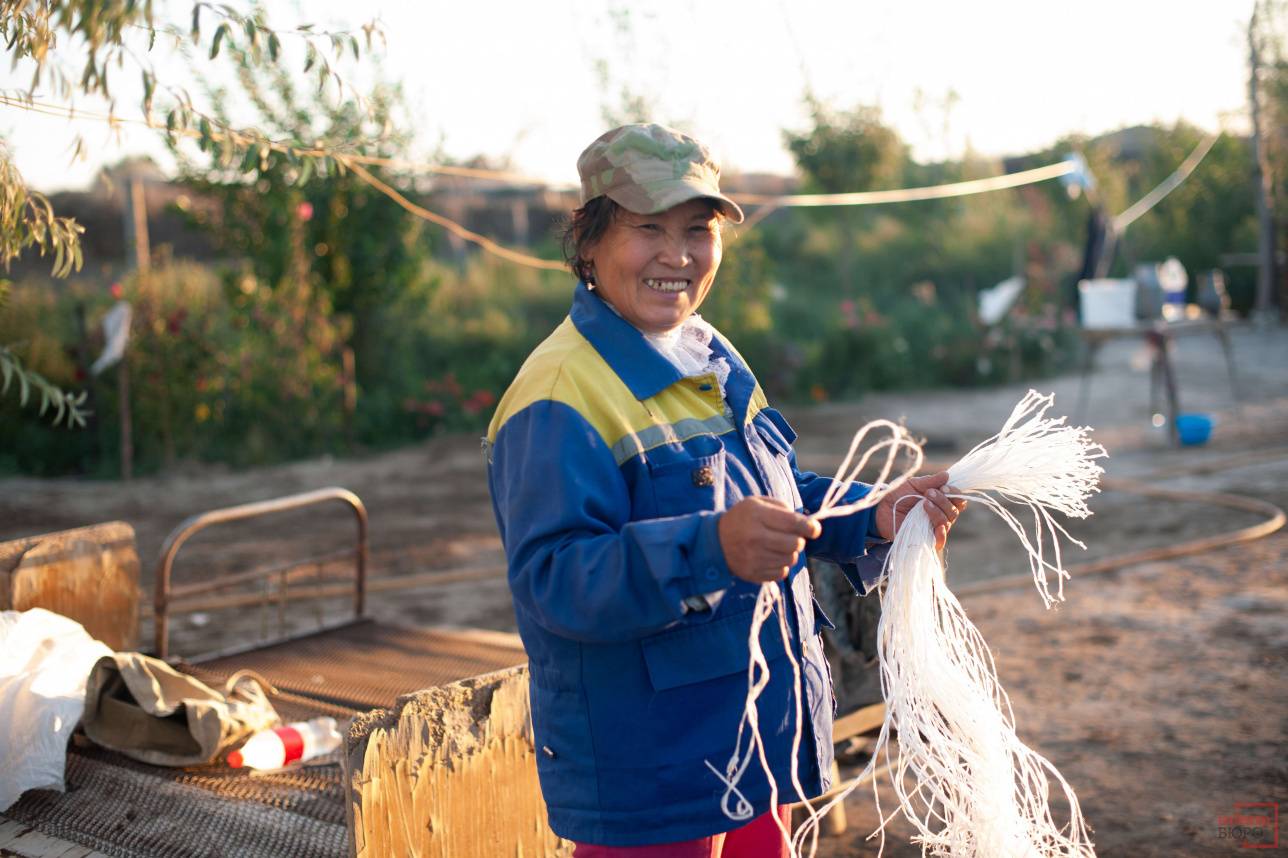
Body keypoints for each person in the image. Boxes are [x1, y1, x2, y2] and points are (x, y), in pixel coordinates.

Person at [485, 123, 964, 857]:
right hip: (653, 768)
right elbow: (556, 580)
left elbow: (771, 492)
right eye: (648, 228)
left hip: (750, 744)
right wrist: (711, 548)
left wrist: (870, 515)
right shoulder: (558, 396)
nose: (676, 254)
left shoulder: (708, 351)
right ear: (589, 243)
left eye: (697, 229)